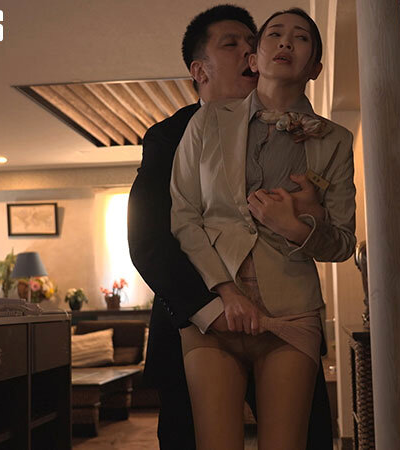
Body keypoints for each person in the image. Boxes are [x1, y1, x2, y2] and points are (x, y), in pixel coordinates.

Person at [127, 5, 333, 449]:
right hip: (198, 323)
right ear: (200, 70)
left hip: (287, 320)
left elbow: (331, 230)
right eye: (231, 44)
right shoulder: (170, 135)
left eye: (251, 43)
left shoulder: (304, 130)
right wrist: (210, 307)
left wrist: (308, 219)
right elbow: (149, 240)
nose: (248, 51)